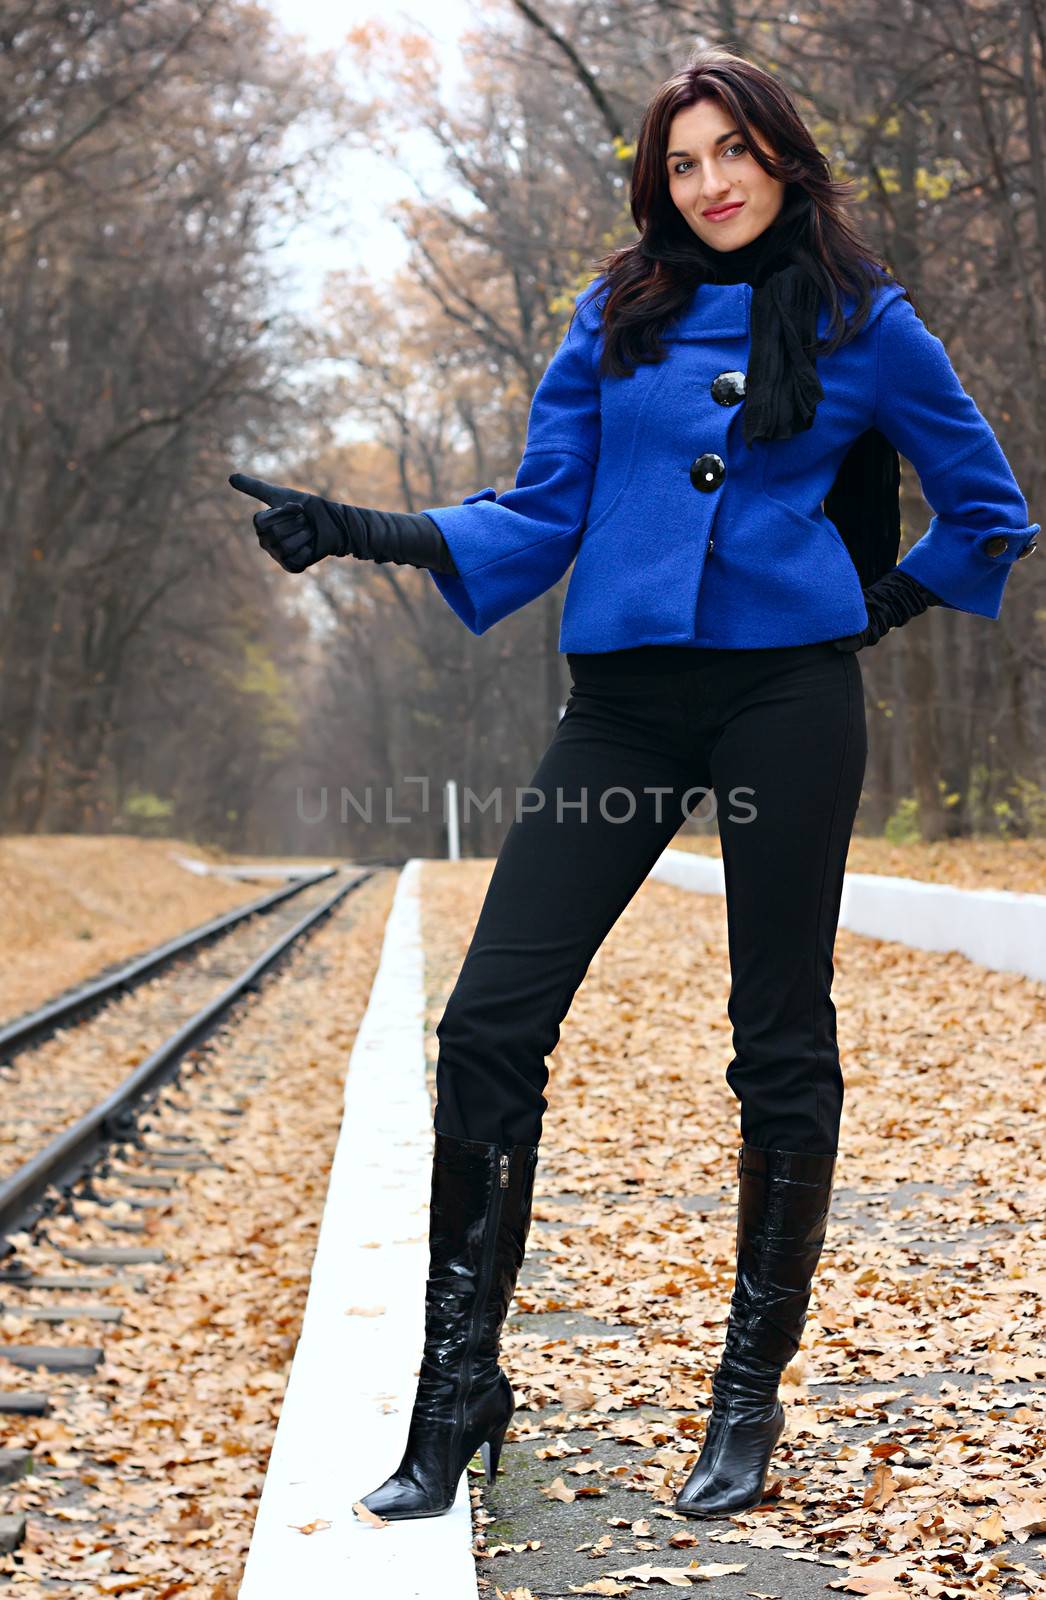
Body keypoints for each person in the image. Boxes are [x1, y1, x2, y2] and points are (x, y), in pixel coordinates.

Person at [230, 46, 1038, 1525]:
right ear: (655, 182)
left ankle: (744, 1403)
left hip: (784, 703)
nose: (709, 182)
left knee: (776, 1035)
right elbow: (538, 517)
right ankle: (456, 1391)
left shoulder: (867, 321)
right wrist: (360, 528)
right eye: (680, 162)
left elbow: (986, 507)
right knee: (488, 1023)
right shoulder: (615, 317)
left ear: (782, 156)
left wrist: (873, 610)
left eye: (732, 151)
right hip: (621, 709)